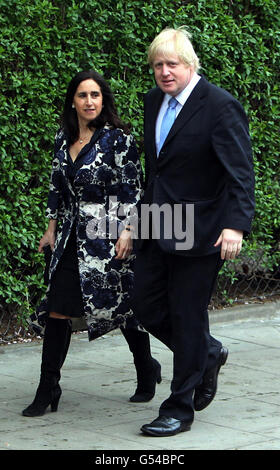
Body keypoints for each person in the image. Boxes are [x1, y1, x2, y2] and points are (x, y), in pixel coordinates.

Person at [132, 27, 255, 436]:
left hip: (200, 224)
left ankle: (178, 408)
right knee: (146, 305)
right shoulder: (154, 100)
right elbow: (158, 170)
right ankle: (208, 352)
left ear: (190, 64)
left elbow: (240, 173)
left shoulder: (220, 106)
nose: (164, 73)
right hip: (158, 221)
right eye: (157, 66)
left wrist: (235, 224)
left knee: (186, 314)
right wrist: (137, 223)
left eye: (171, 64)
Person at [22, 70, 161, 417]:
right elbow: (57, 188)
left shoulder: (119, 140)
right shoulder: (62, 138)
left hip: (107, 233)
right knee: (58, 308)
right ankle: (48, 387)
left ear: (104, 100)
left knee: (121, 308)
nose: (89, 102)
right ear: (74, 100)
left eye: (95, 95)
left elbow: (134, 190)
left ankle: (146, 369)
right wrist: (50, 228)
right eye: (83, 95)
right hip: (70, 236)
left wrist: (129, 233)